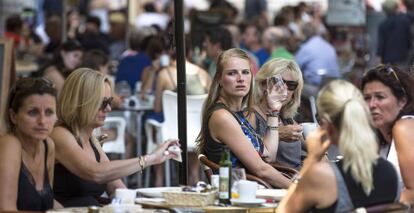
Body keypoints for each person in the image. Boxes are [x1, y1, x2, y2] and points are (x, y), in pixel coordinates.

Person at [51, 68, 179, 207]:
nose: (108, 109)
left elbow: (116, 188)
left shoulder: (92, 139)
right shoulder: (60, 134)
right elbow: (96, 173)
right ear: (81, 102)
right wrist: (150, 159)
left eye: (110, 102)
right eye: (102, 103)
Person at [277, 80, 400, 213]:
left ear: (327, 126)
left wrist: (311, 160)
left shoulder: (321, 176)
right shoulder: (391, 172)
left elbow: (283, 210)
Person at [196, 48, 291, 188]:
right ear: (220, 80)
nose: (240, 79)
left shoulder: (238, 113)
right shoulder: (221, 116)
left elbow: (269, 155)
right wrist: (297, 190)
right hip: (239, 195)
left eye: (245, 72)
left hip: (253, 189)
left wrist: (273, 111)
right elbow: (262, 170)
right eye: (232, 73)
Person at [0, 77, 58, 211]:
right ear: (13, 116)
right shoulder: (9, 144)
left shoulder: (48, 145)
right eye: (33, 112)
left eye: (49, 112)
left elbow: (46, 203)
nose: (42, 121)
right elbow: (5, 210)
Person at [361, 64, 414, 205]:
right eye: (367, 98)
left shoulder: (404, 126)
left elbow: (413, 192)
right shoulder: (380, 137)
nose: (372, 104)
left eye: (380, 97)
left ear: (402, 101)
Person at [248, 58, 305, 170]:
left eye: (291, 85)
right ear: (264, 84)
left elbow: (311, 145)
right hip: (278, 183)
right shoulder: (251, 115)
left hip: (299, 178)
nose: (284, 89)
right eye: (278, 82)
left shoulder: (286, 118)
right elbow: (249, 151)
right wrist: (278, 134)